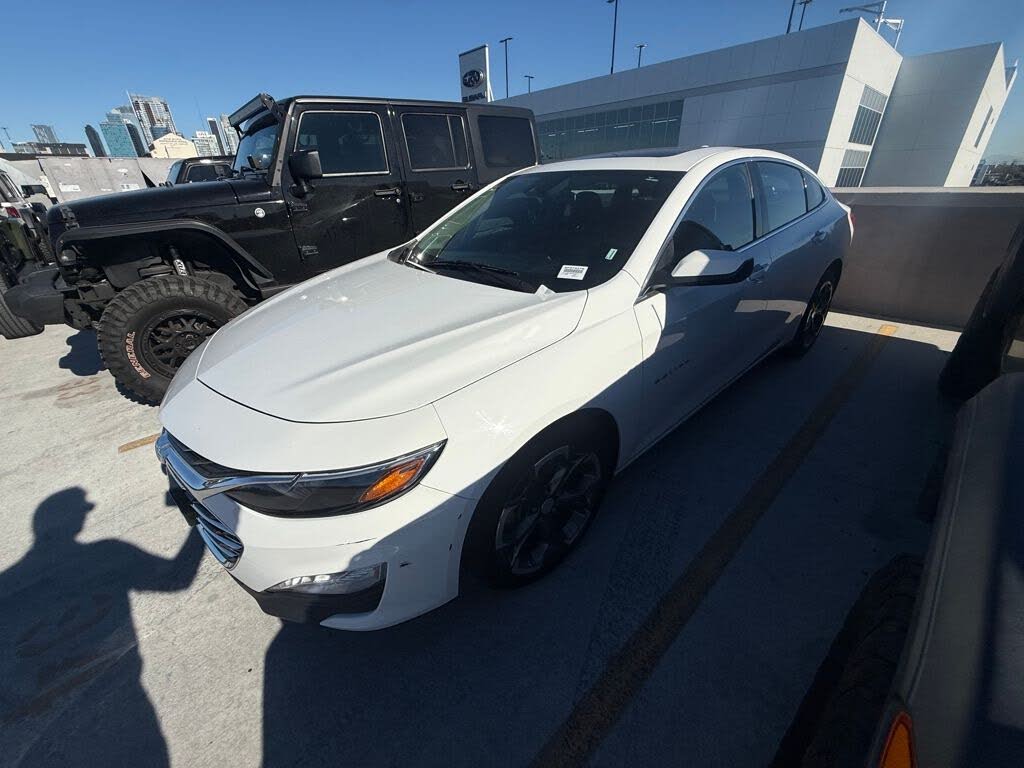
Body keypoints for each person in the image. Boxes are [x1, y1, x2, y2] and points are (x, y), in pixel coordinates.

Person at [0, 487, 203, 767]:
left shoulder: (8, 584)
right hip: (120, 714)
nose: (85, 513)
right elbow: (178, 579)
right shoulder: (108, 552)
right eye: (83, 507)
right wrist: (203, 519)